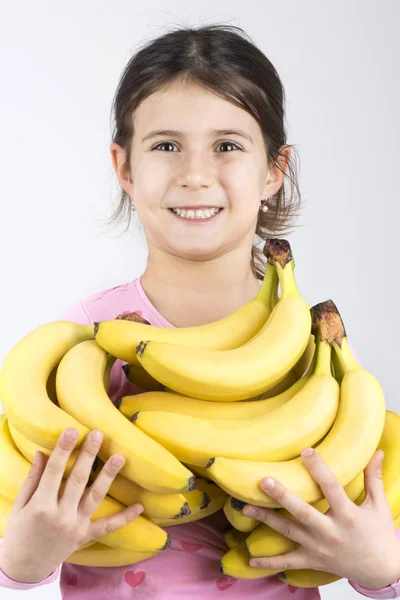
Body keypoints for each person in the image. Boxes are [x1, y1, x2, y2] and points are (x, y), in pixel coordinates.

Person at [0, 23, 399, 599]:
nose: (194, 174)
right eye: (166, 145)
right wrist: (21, 560)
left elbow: (371, 536)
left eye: (228, 145)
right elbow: (17, 534)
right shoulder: (77, 350)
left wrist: (380, 568)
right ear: (125, 167)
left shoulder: (316, 355)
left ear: (274, 170)